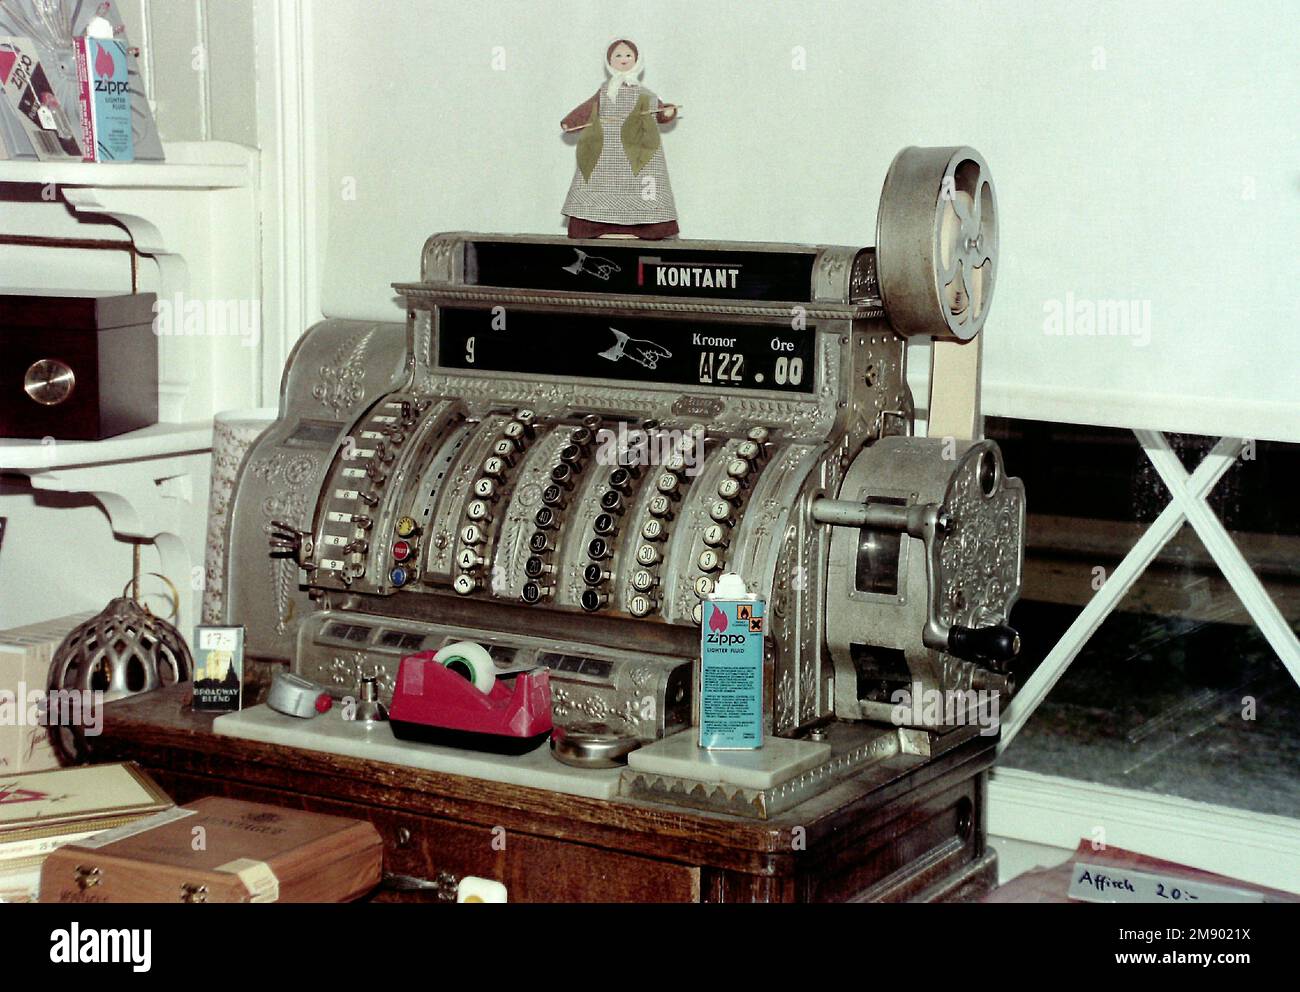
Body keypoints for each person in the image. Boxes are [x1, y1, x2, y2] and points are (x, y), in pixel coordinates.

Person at [560, 39, 680, 240]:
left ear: (636, 60)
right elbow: (589, 108)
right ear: (609, 61)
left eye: (628, 56)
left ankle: (645, 227)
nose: (623, 59)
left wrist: (667, 112)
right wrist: (571, 122)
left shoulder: (646, 94)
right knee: (597, 181)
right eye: (617, 55)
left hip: (639, 149)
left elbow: (660, 112)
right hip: (606, 149)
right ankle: (595, 224)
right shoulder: (605, 91)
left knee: (644, 184)